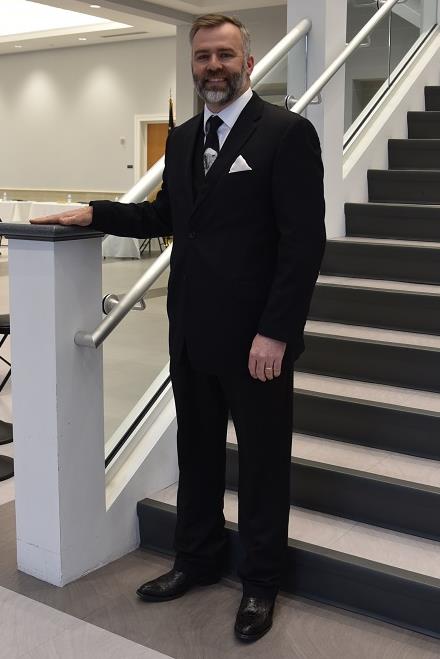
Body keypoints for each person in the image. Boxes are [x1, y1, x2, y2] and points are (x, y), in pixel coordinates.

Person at [31, 13, 326, 643]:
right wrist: (94, 213)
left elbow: (302, 246)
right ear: (192, 66)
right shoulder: (184, 137)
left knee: (263, 465)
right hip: (190, 333)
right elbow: (167, 215)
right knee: (194, 455)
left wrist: (276, 331)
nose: (212, 67)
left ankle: (260, 582)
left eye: (224, 55)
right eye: (202, 58)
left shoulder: (286, 133)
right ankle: (196, 559)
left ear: (249, 62)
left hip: (257, 344)